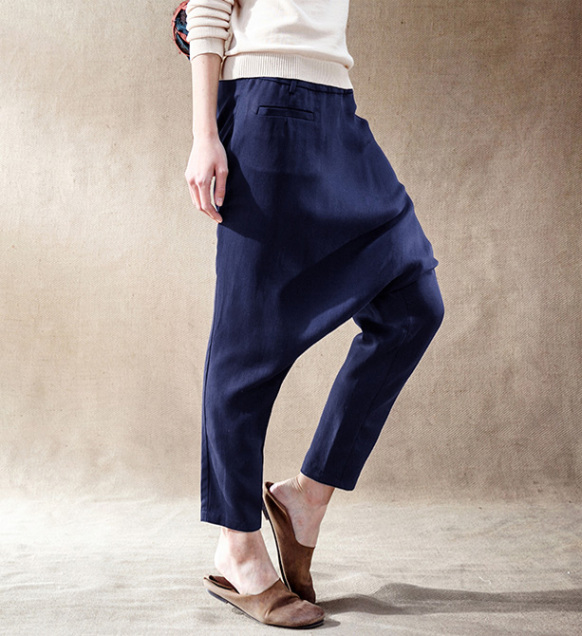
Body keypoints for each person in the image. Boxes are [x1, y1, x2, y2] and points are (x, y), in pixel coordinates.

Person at [183, 0, 444, 628]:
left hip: (335, 105)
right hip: (266, 105)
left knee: (413, 305)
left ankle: (304, 499)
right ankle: (237, 548)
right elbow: (208, 9)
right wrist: (205, 135)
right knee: (245, 346)